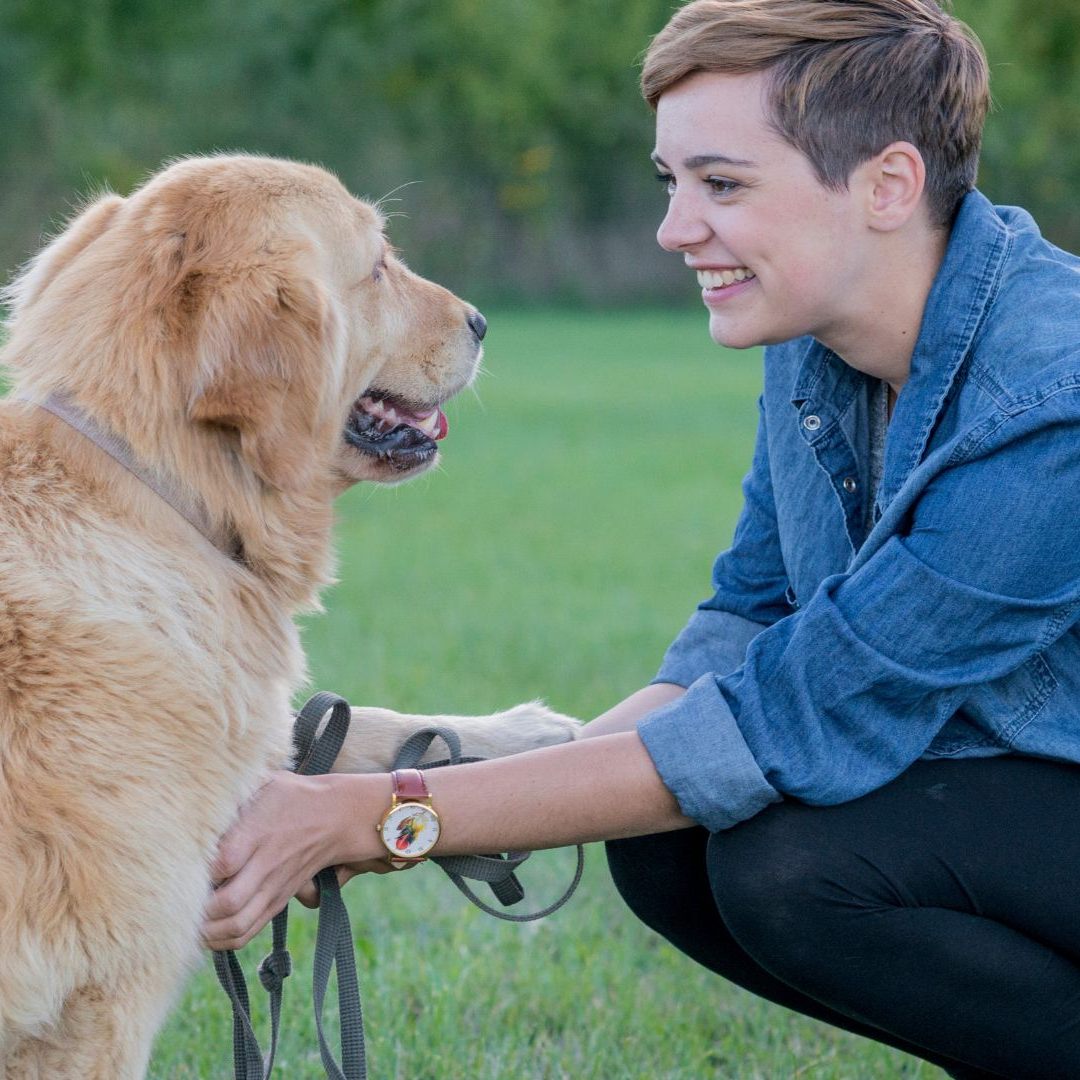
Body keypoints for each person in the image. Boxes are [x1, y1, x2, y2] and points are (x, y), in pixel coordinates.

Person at [203, 1, 1080, 1075]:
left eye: (723, 184)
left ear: (888, 186)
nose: (674, 228)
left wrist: (383, 816)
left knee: (795, 864)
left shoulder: (1051, 405)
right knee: (670, 851)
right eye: (673, 183)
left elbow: (792, 722)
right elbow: (750, 618)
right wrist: (497, 787)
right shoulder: (819, 341)